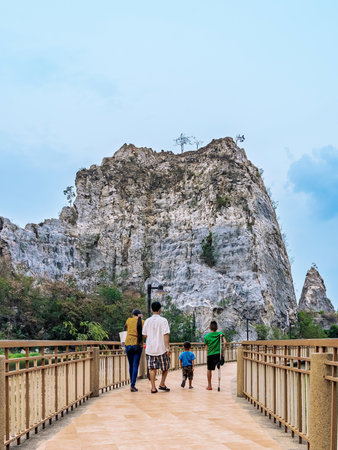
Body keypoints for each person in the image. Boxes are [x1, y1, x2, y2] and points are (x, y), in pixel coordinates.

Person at [142, 301, 171, 393]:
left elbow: (144, 335)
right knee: (165, 367)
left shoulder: (147, 321)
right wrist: (167, 347)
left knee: (152, 368)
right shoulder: (163, 320)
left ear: (151, 310)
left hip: (150, 349)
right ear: (160, 310)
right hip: (161, 348)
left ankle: (153, 388)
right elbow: (165, 334)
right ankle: (162, 384)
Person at [125, 309, 144, 392]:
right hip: (137, 344)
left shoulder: (129, 320)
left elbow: (125, 326)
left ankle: (131, 384)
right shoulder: (143, 322)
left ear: (133, 315)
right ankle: (132, 385)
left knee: (131, 365)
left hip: (128, 344)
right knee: (135, 365)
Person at [204, 320, 226, 390]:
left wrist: (207, 354)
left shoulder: (206, 336)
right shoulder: (220, 334)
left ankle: (209, 386)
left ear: (209, 327)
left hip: (210, 354)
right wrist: (222, 353)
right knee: (218, 362)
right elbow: (225, 343)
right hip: (218, 354)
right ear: (217, 328)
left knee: (209, 369)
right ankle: (218, 363)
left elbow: (206, 346)